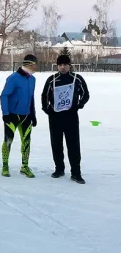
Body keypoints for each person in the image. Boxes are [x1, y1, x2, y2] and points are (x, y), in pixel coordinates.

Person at [41, 54, 90, 184]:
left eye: (65, 65)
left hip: (71, 116)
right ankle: (59, 169)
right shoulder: (51, 79)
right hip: (55, 117)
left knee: (73, 145)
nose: (62, 67)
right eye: (60, 65)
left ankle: (76, 173)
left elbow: (85, 94)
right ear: (57, 66)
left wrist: (79, 105)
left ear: (69, 65)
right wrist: (48, 110)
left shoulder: (77, 79)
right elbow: (44, 96)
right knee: (56, 144)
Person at [0, 54, 38, 178]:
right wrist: (5, 114)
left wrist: (33, 114)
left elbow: (31, 98)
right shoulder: (13, 78)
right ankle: (5, 166)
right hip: (12, 115)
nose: (36, 67)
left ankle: (25, 166)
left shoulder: (32, 79)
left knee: (27, 141)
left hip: (26, 116)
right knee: (8, 140)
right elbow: (4, 95)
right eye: (34, 65)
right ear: (28, 64)